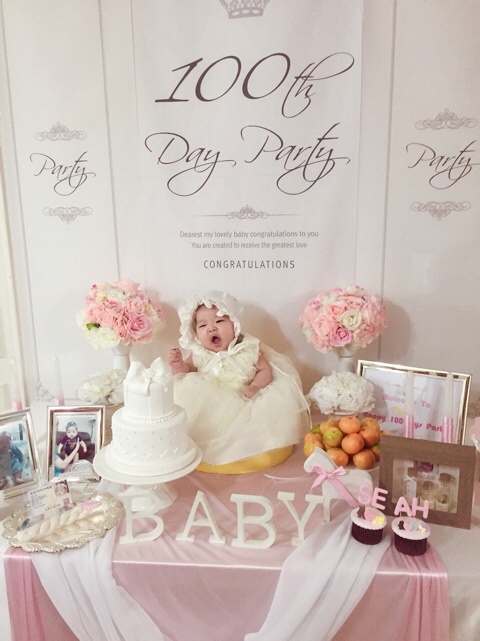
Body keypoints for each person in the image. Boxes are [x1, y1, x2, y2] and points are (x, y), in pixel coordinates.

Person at [167, 291, 310, 472]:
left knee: (254, 425)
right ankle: (204, 443)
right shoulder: (200, 354)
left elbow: (265, 370)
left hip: (244, 398)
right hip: (211, 405)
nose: (211, 328)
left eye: (219, 321)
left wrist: (256, 386)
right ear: (195, 333)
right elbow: (185, 372)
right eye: (203, 325)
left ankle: (244, 449)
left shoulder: (248, 349)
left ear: (234, 325)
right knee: (189, 394)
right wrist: (178, 364)